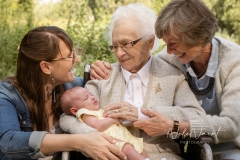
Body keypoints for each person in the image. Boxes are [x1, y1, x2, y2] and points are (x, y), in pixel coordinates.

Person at [90, 0, 240, 159]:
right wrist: (98, 67)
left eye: (173, 43)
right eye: (166, 44)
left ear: (200, 38)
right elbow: (144, 60)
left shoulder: (234, 62)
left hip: (232, 147)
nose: (167, 51)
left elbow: (231, 127)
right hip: (198, 150)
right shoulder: (172, 57)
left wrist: (174, 126)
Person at [59, 3, 206, 160]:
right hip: (111, 154)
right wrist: (92, 137)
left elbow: (198, 118)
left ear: (150, 42)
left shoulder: (172, 77)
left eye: (126, 44)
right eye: (114, 46)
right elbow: (69, 116)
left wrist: (144, 114)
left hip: (162, 155)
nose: (119, 53)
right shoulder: (103, 76)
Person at [0, 26, 127, 160]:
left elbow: (104, 88)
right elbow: (8, 141)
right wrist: (81, 142)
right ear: (46, 67)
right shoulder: (7, 96)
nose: (76, 60)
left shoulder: (71, 88)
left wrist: (98, 70)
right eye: (69, 56)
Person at [60, 86, 150, 160]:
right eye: (86, 98)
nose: (92, 97)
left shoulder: (98, 111)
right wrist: (111, 119)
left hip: (125, 139)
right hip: (112, 142)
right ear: (75, 111)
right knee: (129, 149)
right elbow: (97, 126)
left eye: (91, 94)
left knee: (142, 152)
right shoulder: (85, 113)